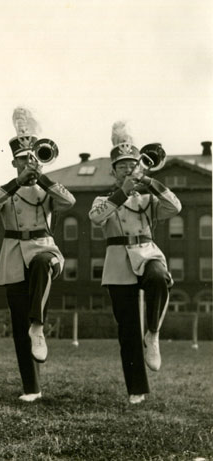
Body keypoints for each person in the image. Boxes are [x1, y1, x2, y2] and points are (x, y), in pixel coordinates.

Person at [0, 107, 75, 402]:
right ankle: (31, 388)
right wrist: (18, 182)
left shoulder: (47, 189)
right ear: (14, 162)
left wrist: (43, 178)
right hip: (13, 256)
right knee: (17, 321)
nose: (28, 164)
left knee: (43, 263)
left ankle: (39, 324)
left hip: (44, 247)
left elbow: (69, 201)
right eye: (22, 160)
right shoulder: (5, 189)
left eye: (32, 159)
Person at [89, 121, 181, 405]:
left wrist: (150, 181)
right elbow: (96, 217)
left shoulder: (147, 198)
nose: (128, 170)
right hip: (118, 264)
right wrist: (122, 192)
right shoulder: (103, 198)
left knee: (159, 277)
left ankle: (152, 333)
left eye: (132, 165)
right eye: (122, 166)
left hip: (147, 253)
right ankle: (136, 390)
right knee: (127, 329)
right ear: (113, 171)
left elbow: (175, 207)